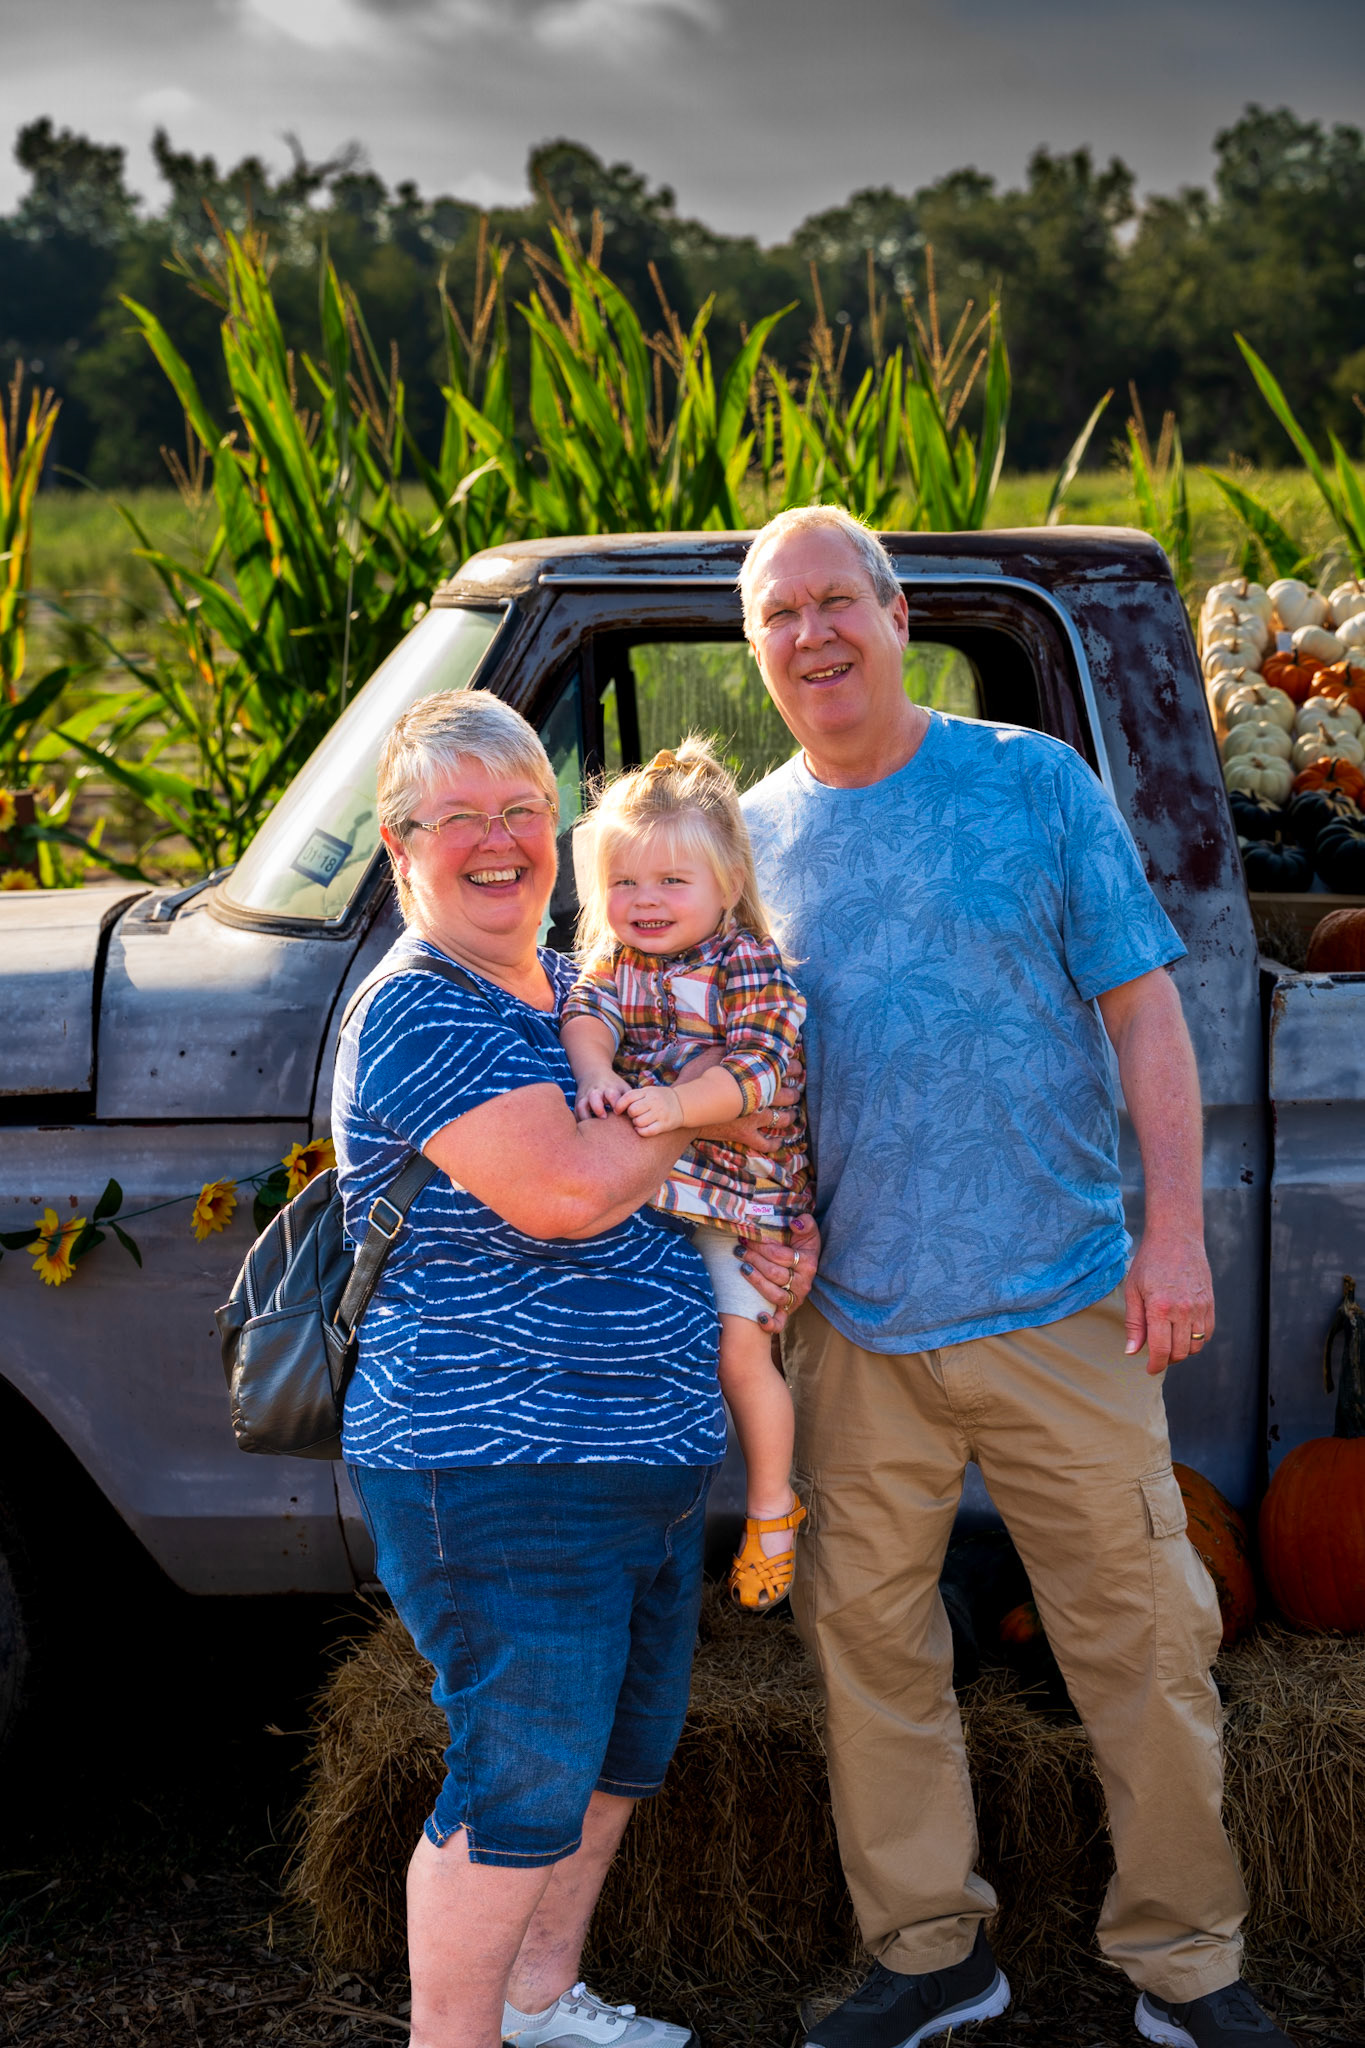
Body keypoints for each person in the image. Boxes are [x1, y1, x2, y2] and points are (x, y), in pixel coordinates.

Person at [736, 506, 1291, 2048]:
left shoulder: (1030, 782)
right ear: (756, 648)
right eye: (779, 614)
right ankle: (930, 1951)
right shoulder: (750, 841)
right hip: (854, 1329)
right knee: (869, 1652)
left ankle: (1186, 1966)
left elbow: (1146, 1015)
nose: (812, 634)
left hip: (1062, 1301)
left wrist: (1173, 1233)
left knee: (1147, 1643)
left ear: (896, 616)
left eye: (836, 601)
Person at [332, 688, 818, 2048]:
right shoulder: (421, 1008)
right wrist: (708, 1113)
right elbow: (564, 1191)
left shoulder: (580, 984)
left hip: (642, 1455)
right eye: (459, 818)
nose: (498, 842)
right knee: (519, 1781)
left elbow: (737, 1112)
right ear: (399, 845)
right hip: (501, 1463)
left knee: (612, 1760)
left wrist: (748, 1187)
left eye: (523, 810)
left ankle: (539, 2005)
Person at [561, 738, 814, 1610]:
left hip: (740, 1204)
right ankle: (645, 1526)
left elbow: (763, 1068)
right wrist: (595, 1071)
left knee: (742, 1353)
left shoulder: (748, 964)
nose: (645, 900)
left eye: (672, 881)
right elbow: (586, 1014)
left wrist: (675, 1104)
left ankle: (772, 1506)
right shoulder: (616, 964)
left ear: (728, 884)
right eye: (623, 882)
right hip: (655, 1199)